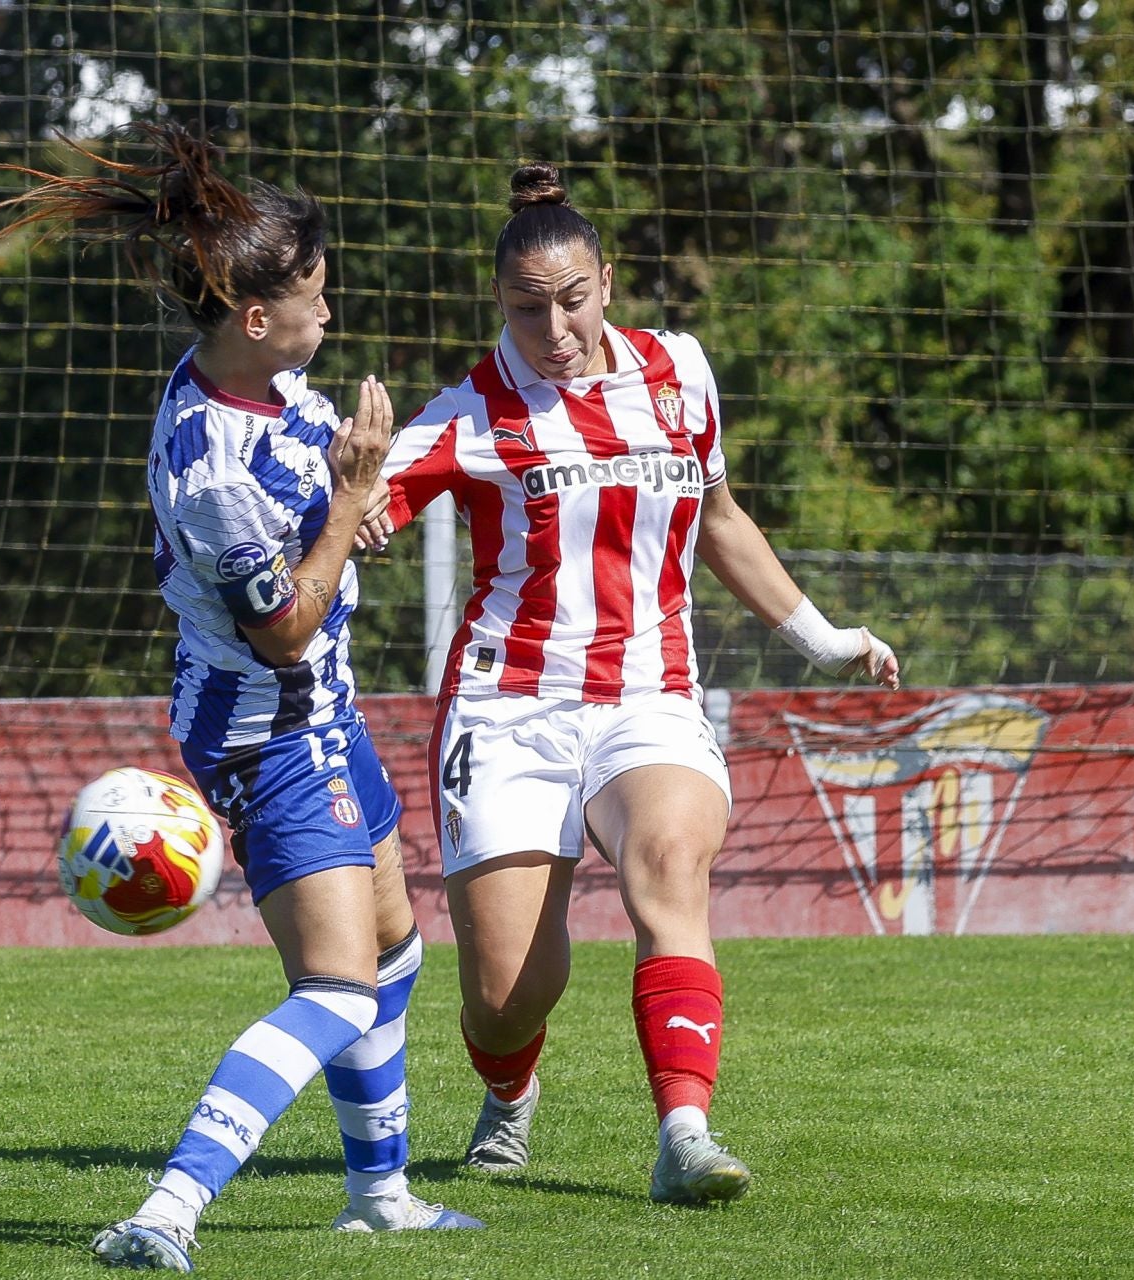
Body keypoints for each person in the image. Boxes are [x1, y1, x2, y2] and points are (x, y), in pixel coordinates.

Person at [0, 123, 482, 1272]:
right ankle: (167, 1207)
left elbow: (334, 485)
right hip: (270, 733)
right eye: (313, 293)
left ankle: (382, 1192)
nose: (328, 309)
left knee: (396, 952)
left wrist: (380, 488)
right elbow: (281, 623)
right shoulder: (213, 468)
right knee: (337, 986)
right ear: (254, 318)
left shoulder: (257, 383)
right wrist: (355, 504)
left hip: (327, 713)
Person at [366, 162, 901, 1205]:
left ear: (607, 281)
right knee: (508, 994)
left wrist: (822, 637)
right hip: (509, 702)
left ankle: (685, 1132)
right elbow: (364, 502)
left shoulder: (679, 374)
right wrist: (362, 521)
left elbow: (722, 520)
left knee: (668, 859)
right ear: (500, 304)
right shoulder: (469, 410)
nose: (554, 326)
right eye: (529, 308)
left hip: (651, 691)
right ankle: (509, 1085)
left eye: (572, 300)